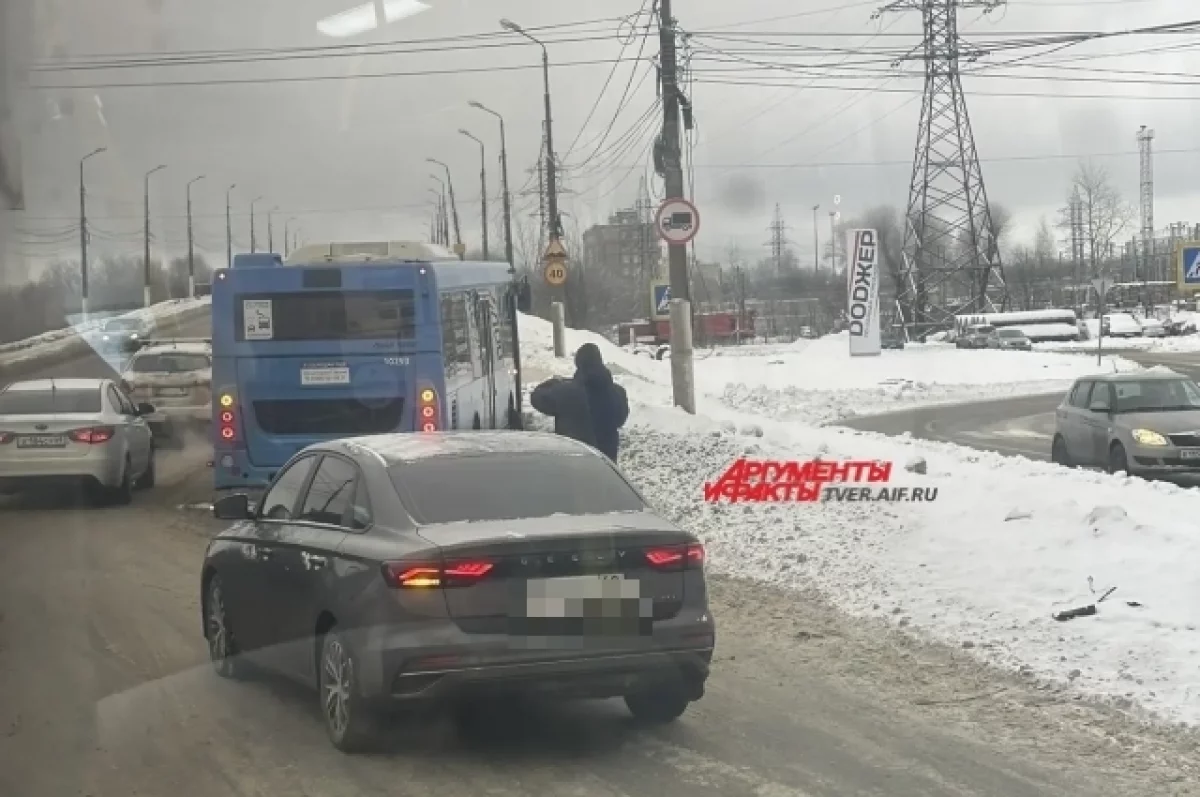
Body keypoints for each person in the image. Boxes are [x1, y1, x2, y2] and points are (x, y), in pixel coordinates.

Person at [529, 343, 630, 461]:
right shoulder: (617, 392)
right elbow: (620, 420)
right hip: (605, 463)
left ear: (578, 363)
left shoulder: (566, 392)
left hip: (574, 461)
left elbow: (537, 398)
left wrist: (553, 382)